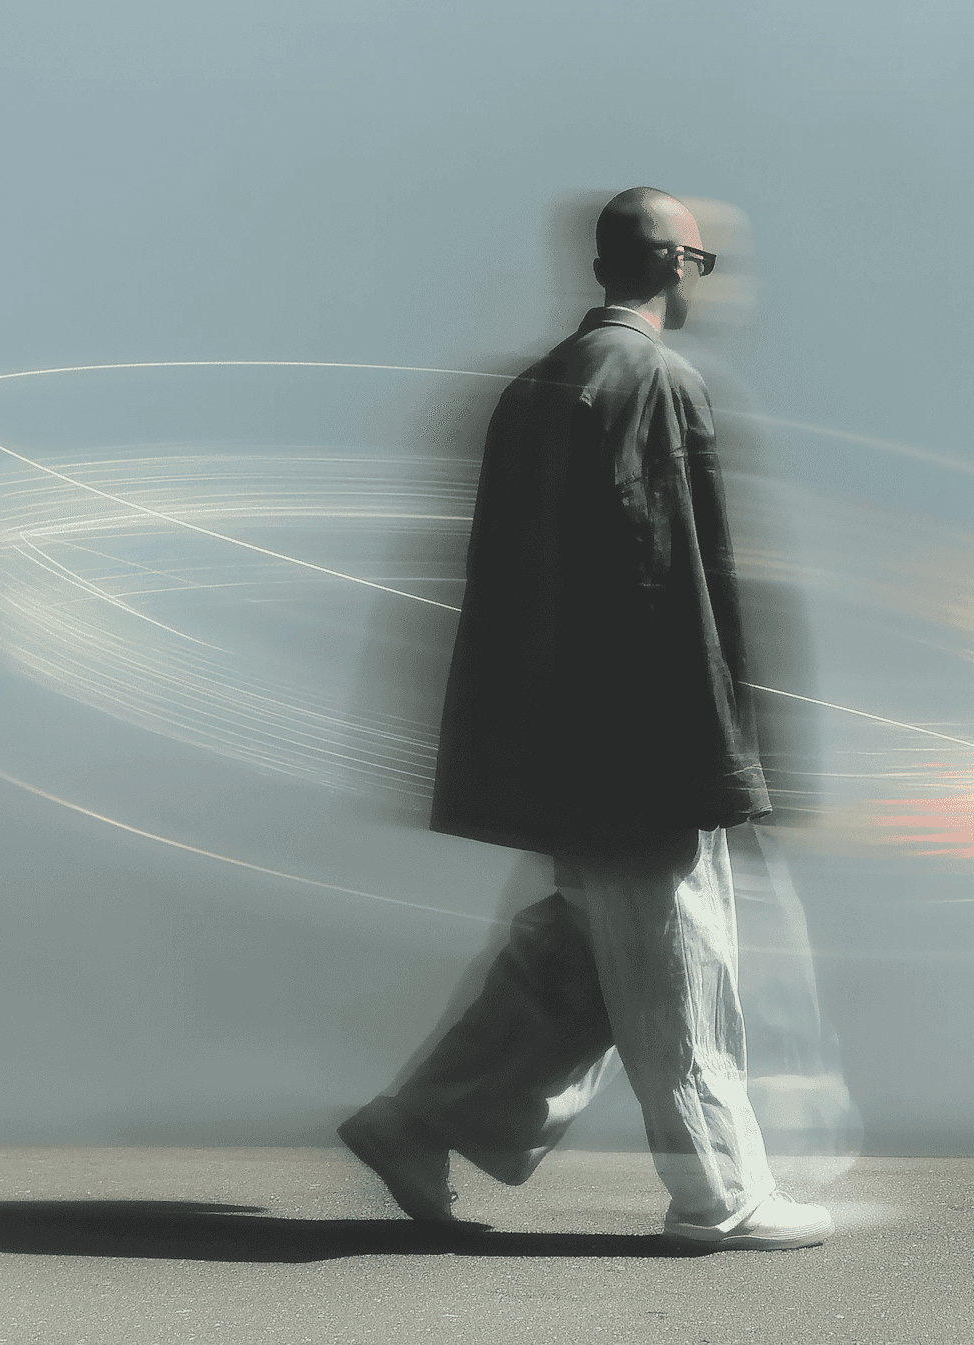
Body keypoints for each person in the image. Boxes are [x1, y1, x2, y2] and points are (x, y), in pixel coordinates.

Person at [337, 187, 834, 1253]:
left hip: (557, 731)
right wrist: (722, 755)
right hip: (644, 736)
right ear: (675, 268)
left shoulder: (537, 385)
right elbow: (673, 583)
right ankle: (721, 1192)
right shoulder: (656, 381)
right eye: (705, 260)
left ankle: (421, 1118)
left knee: (578, 960)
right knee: (676, 958)